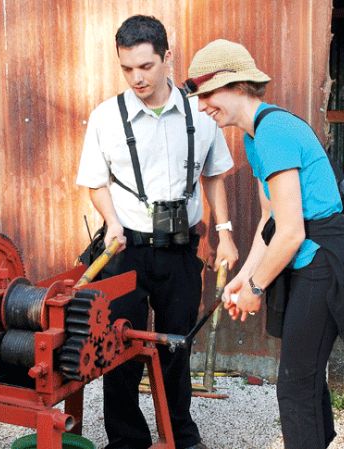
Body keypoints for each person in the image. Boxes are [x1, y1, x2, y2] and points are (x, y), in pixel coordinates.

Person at [185, 39, 344, 448]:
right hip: (310, 260)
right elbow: (270, 224)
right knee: (303, 381)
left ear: (235, 85)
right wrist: (245, 276)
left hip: (322, 263)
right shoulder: (257, 136)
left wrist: (257, 288)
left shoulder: (273, 131)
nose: (202, 106)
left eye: (207, 94)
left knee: (295, 387)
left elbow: (292, 233)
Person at [76, 16, 238, 449]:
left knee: (175, 345)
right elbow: (95, 181)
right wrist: (111, 221)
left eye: (145, 66)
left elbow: (215, 174)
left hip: (181, 249)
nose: (137, 78)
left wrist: (224, 231)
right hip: (125, 247)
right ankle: (127, 439)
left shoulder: (200, 112)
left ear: (168, 58)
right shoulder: (106, 117)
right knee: (118, 347)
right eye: (127, 68)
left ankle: (179, 432)